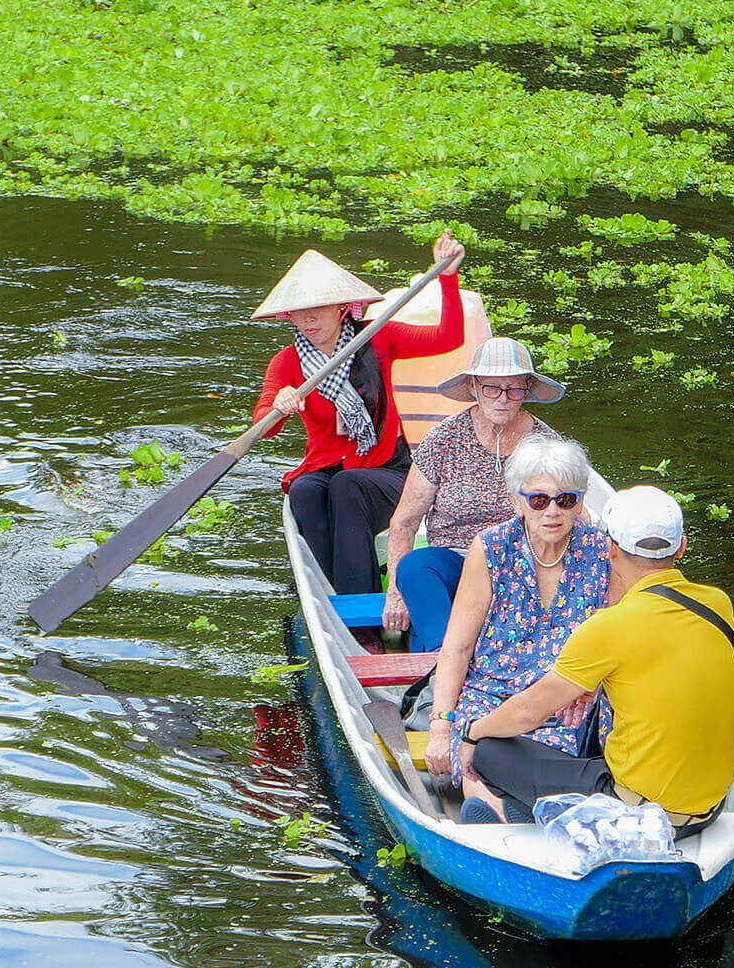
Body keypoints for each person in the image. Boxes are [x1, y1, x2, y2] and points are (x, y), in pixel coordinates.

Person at [460, 485, 734, 831]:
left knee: (490, 750)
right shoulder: (718, 604)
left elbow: (527, 712)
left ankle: (538, 809)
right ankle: (532, 808)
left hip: (641, 813)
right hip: (710, 810)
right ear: (681, 547)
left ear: (610, 549)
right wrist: (598, 683)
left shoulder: (609, 626)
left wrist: (471, 734)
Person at [251, 233, 465, 597]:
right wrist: (279, 405)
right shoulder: (287, 362)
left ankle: (361, 604)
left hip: (387, 470)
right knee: (304, 491)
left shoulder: (377, 338)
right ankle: (328, 594)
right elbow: (263, 425)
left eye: (319, 308)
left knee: (347, 487)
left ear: (342, 307)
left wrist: (448, 278)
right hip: (324, 469)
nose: (308, 319)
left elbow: (449, 338)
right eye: (299, 311)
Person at [423, 436, 609, 787]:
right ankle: (497, 803)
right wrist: (440, 727)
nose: (552, 511)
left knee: (568, 756)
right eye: (538, 500)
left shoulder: (602, 551)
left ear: (581, 502)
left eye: (566, 500)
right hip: (490, 698)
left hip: (566, 703)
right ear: (516, 500)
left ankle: (510, 804)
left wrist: (593, 685)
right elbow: (458, 646)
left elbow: (620, 640)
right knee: (477, 760)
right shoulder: (491, 547)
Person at [382, 337, 568, 651]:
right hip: (454, 560)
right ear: (473, 387)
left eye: (514, 389)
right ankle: (444, 658)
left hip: (519, 564)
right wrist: (395, 597)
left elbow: (570, 517)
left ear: (527, 390)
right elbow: (404, 523)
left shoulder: (545, 444)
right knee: (415, 567)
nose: (503, 399)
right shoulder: (444, 439)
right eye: (492, 388)